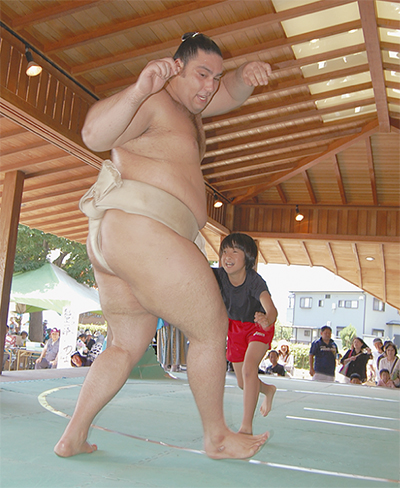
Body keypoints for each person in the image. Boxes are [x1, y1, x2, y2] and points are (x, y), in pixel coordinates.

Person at [54, 32, 272, 460]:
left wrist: (244, 77)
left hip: (123, 238)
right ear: (176, 68)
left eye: (216, 76)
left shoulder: (187, 109)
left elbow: (227, 94)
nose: (209, 85)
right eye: (202, 74)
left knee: (125, 345)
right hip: (145, 229)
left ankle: (74, 435)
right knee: (210, 329)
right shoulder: (155, 100)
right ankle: (217, 437)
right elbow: (93, 133)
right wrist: (139, 88)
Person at [212, 233, 277, 435]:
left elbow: (272, 309)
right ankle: (268, 389)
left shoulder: (254, 281)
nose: (227, 256)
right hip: (235, 328)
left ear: (248, 257)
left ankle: (246, 428)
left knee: (250, 369)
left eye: (234, 251)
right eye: (224, 251)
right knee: (243, 382)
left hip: (258, 325)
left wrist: (267, 319)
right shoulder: (218, 275)